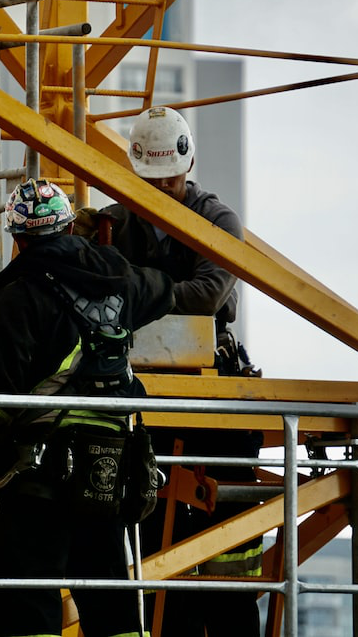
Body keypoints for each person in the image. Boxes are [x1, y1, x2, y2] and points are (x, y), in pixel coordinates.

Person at [0, 178, 175, 637]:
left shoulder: (18, 296)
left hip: (43, 473)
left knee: (23, 596)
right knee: (109, 597)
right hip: (110, 466)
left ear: (18, 239)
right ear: (68, 227)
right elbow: (165, 290)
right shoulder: (119, 278)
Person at [80, 106, 263, 635]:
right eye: (151, 182)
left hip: (214, 390)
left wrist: (132, 293)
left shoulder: (217, 220)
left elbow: (209, 295)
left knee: (226, 536)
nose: (161, 190)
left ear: (187, 168)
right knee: (154, 528)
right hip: (145, 392)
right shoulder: (116, 223)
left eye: (171, 181)